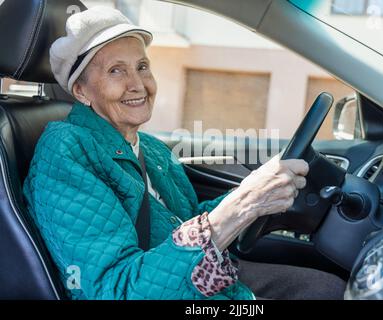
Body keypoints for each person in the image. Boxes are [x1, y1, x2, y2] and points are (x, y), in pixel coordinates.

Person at [23, 6, 346, 300]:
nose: (138, 84)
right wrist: (240, 206)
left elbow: (185, 219)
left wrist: (257, 200)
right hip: (169, 290)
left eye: (142, 66)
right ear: (81, 91)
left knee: (328, 288)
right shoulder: (66, 150)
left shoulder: (149, 147)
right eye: (116, 71)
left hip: (205, 278)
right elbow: (114, 291)